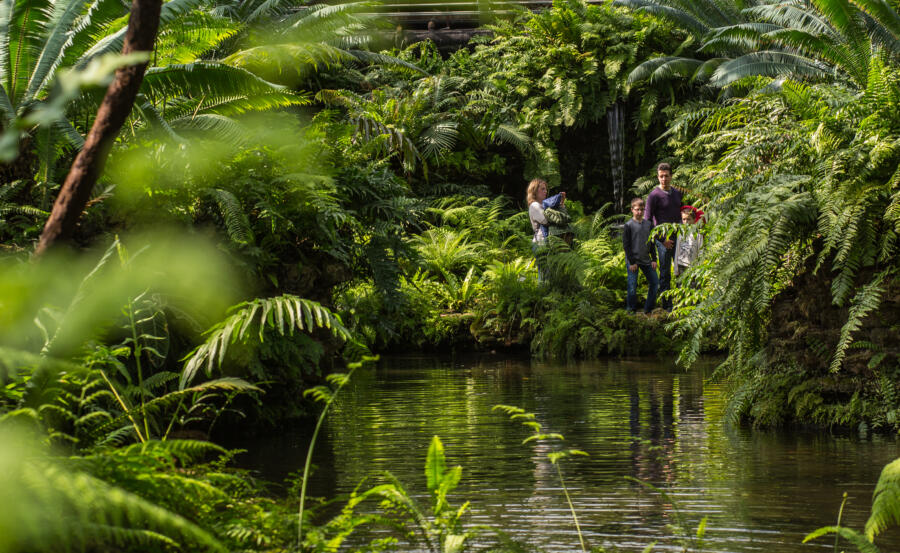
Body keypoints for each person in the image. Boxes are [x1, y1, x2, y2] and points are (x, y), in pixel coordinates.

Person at [644, 163, 682, 311]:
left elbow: (682, 215)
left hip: (678, 238)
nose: (664, 179)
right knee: (665, 274)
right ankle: (667, 307)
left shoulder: (677, 193)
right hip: (663, 241)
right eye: (661, 176)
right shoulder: (653, 196)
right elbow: (648, 221)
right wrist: (661, 240)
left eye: (666, 176)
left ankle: (681, 303)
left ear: (671, 176)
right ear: (657, 177)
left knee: (680, 271)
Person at [623, 197, 658, 313]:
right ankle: (631, 309)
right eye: (637, 209)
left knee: (654, 282)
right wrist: (632, 262)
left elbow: (652, 242)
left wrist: (654, 259)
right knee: (632, 286)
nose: (639, 212)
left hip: (646, 259)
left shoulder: (649, 224)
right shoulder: (628, 225)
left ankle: (648, 308)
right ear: (631, 209)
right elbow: (626, 246)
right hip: (633, 261)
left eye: (642, 210)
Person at [674, 205, 703, 278]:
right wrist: (676, 269)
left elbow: (701, 252)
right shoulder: (681, 234)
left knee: (693, 287)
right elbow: (677, 251)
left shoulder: (698, 235)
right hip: (681, 266)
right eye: (684, 219)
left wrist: (700, 269)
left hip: (693, 267)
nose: (686, 222)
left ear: (694, 220)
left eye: (688, 219)